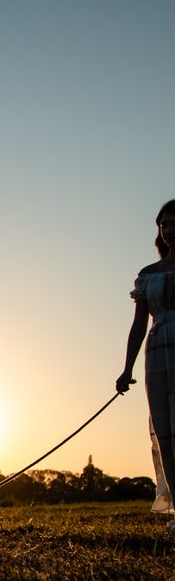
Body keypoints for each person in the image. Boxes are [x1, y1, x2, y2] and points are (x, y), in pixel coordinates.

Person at [117, 200, 175, 523]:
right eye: (163, 225)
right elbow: (139, 324)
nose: (168, 230)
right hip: (158, 352)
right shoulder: (148, 275)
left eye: (174, 223)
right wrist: (126, 369)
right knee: (165, 430)